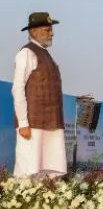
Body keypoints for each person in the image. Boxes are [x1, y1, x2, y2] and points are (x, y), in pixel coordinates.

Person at [12, 12, 67, 177]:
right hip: (32, 124)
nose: (51, 33)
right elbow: (18, 88)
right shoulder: (26, 53)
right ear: (33, 31)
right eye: (47, 30)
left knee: (49, 170)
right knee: (28, 170)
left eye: (51, 30)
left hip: (52, 124)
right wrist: (23, 123)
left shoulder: (46, 55)